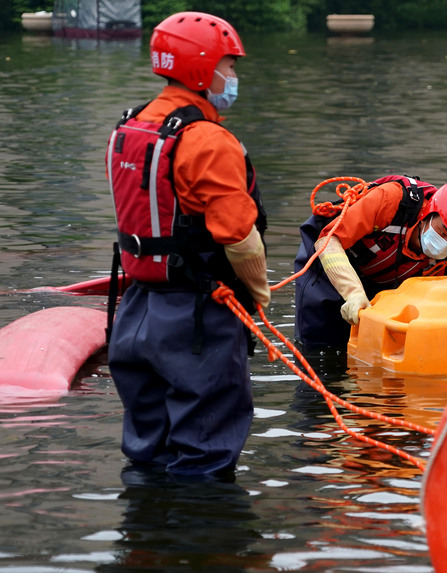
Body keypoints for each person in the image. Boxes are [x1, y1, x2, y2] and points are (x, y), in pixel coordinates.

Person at [105, 12, 269, 478]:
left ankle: (146, 544)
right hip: (197, 318)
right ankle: (204, 545)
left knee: (146, 452)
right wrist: (259, 294)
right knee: (204, 459)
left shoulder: (128, 128)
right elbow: (238, 236)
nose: (233, 77)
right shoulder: (207, 142)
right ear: (203, 68)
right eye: (229, 66)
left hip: (134, 313)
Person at [294, 175, 447, 349]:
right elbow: (328, 241)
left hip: (386, 284)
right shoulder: (390, 200)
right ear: (429, 212)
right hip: (332, 259)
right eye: (443, 232)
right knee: (320, 343)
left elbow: (446, 312)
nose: (446, 244)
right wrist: (353, 293)